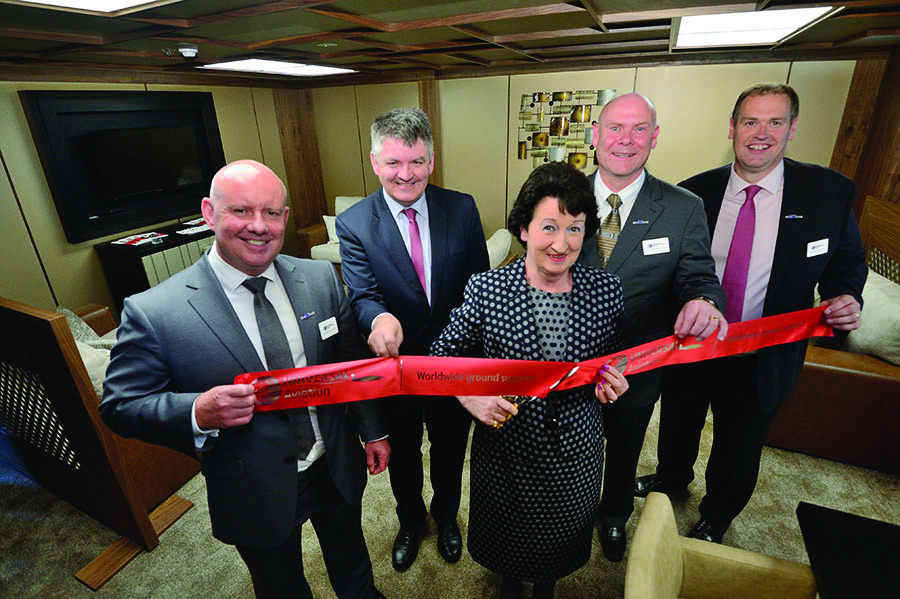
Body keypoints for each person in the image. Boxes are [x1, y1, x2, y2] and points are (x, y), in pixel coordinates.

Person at [99, 160, 390, 599]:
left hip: (335, 463)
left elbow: (350, 363)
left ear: (286, 218)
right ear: (209, 213)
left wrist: (373, 431)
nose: (259, 226)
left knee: (353, 565)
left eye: (272, 213)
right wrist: (197, 410)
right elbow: (120, 406)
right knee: (281, 587)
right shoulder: (155, 311)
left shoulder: (319, 278)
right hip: (251, 484)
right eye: (241, 211)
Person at [634, 83, 868, 543]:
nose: (761, 133)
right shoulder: (694, 192)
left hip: (767, 351)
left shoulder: (828, 193)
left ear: (792, 128)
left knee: (739, 443)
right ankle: (673, 477)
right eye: (750, 121)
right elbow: (673, 269)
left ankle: (717, 515)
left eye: (774, 122)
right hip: (696, 343)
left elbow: (847, 259)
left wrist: (847, 294)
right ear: (733, 128)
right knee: (679, 419)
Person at [431, 161, 629, 599]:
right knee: (508, 542)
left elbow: (612, 362)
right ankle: (508, 581)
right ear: (523, 229)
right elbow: (440, 358)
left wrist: (613, 381)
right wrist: (472, 398)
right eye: (549, 228)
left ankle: (546, 585)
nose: (562, 244)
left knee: (558, 544)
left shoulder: (606, 290)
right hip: (507, 450)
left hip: (576, 449)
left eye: (575, 229)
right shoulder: (487, 289)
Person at [336, 107, 490, 572]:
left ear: (432, 160)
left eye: (417, 162)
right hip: (395, 366)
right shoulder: (355, 222)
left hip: (454, 364)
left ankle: (446, 517)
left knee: (448, 449)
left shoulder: (461, 207)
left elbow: (479, 285)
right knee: (403, 454)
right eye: (394, 163)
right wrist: (378, 316)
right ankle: (410, 520)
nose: (406, 175)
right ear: (374, 161)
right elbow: (362, 293)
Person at [577, 93, 728, 562]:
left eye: (639, 129)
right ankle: (570, 514)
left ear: (655, 137)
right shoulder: (559, 193)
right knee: (568, 450)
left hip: (638, 364)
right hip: (566, 362)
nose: (626, 140)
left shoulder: (683, 206)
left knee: (623, 449)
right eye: (616, 128)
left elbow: (700, 276)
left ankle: (615, 515)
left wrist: (704, 301)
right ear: (595, 134)